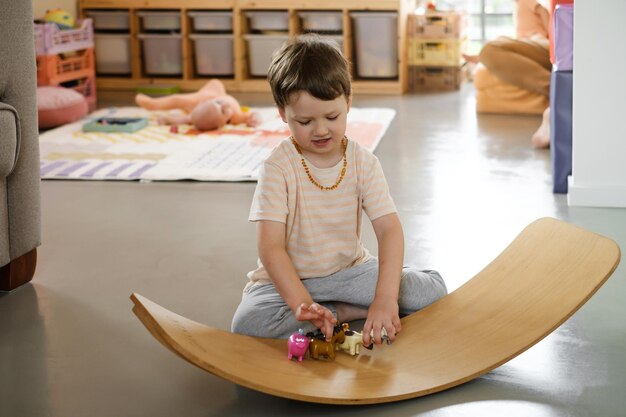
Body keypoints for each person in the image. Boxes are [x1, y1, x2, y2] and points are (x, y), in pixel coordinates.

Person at [230, 34, 447, 347]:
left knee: (431, 291)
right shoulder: (277, 167)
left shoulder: (362, 161)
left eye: (331, 117)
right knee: (247, 324)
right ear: (282, 114)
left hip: (348, 273)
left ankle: (351, 307)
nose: (320, 130)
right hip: (289, 281)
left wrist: (385, 300)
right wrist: (303, 305)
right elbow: (271, 248)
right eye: (304, 121)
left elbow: (389, 230)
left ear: (347, 102)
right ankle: (342, 311)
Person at [464, 0, 552, 148]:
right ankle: (482, 56)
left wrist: (553, 38)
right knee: (494, 46)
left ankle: (558, 94)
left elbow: (543, 11)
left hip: (540, 41)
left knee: (489, 50)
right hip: (531, 43)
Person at [134, 79, 262, 131]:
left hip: (208, 97)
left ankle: (210, 100)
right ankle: (152, 104)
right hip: (203, 99)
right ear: (222, 124)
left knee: (215, 84)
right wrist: (254, 119)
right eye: (222, 111)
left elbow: (185, 120)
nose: (225, 106)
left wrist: (168, 119)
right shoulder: (235, 117)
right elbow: (251, 115)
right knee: (177, 99)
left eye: (219, 104)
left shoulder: (210, 103)